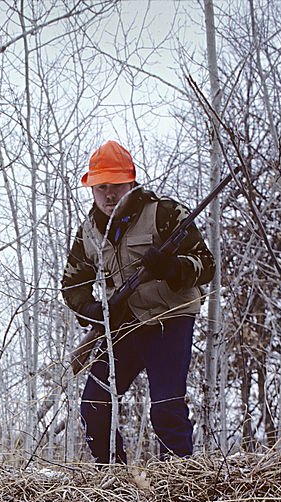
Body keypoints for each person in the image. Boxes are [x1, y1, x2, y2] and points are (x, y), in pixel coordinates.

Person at [62, 140, 215, 463]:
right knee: (94, 406)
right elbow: (72, 286)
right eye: (101, 187)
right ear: (91, 188)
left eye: (116, 186)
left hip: (170, 320)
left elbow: (206, 265)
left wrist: (173, 268)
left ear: (132, 182)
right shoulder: (88, 232)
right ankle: (114, 483)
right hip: (127, 324)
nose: (109, 195)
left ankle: (178, 485)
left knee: (165, 408)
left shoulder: (164, 213)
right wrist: (93, 311)